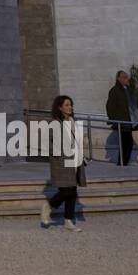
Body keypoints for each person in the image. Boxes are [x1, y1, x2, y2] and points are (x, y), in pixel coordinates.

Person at [41, 95, 87, 230]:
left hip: (74, 160)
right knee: (66, 191)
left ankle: (68, 221)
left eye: (70, 105)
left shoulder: (73, 121)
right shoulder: (55, 123)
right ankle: (48, 206)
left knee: (72, 191)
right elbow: (46, 142)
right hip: (61, 162)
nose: (70, 107)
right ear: (59, 107)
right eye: (66, 105)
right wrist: (57, 153)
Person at [105, 70, 138, 165]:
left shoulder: (128, 90)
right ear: (119, 78)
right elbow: (110, 106)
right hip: (122, 121)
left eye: (127, 77)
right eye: (124, 77)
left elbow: (133, 103)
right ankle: (122, 162)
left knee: (128, 142)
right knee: (125, 142)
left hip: (129, 120)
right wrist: (113, 119)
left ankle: (123, 162)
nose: (126, 79)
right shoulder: (115, 90)